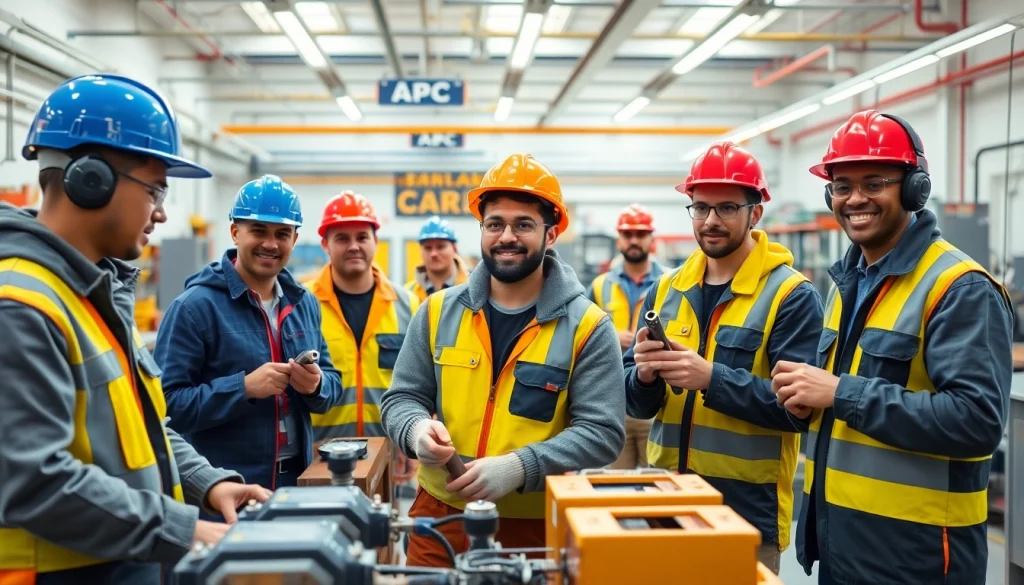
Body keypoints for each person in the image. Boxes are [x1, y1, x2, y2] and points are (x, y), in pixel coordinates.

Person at [0, 74, 269, 585]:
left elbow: (142, 430)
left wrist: (207, 484)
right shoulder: (21, 306)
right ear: (90, 178)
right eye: (155, 189)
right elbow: (32, 481)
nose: (163, 212)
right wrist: (184, 529)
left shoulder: (88, 297)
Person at [777, 110, 1014, 585]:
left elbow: (977, 422)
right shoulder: (845, 283)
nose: (855, 199)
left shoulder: (958, 287)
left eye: (874, 182)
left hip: (919, 557)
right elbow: (841, 405)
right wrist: (804, 402)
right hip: (844, 545)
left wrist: (840, 392)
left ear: (913, 189)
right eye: (842, 186)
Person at [381, 153, 626, 567]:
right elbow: (400, 398)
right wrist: (416, 430)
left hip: (532, 526)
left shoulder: (588, 326)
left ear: (550, 235)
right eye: (495, 224)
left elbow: (602, 432)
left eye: (523, 224)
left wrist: (519, 467)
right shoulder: (437, 311)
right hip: (440, 517)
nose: (506, 236)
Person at [623, 141, 824, 574]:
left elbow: (798, 412)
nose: (711, 221)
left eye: (726, 208)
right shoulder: (666, 289)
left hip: (745, 512)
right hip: (665, 500)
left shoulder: (791, 297)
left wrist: (711, 378)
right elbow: (637, 405)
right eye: (700, 208)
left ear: (755, 213)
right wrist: (642, 377)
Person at [155, 174, 342, 493]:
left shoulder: (304, 303)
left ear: (294, 240)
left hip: (297, 478)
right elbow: (164, 406)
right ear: (235, 233)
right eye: (258, 231)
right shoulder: (194, 308)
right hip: (224, 485)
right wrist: (243, 389)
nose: (271, 244)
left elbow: (332, 382)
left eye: (282, 233)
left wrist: (316, 386)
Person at [303, 191, 420, 483]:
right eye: (342, 238)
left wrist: (410, 440)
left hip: (387, 457)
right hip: (318, 457)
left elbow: (423, 385)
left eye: (362, 237)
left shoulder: (408, 305)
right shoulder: (301, 304)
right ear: (325, 245)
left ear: (375, 241)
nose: (353, 246)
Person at [586, 204, 667, 470]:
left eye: (640, 234)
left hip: (659, 404)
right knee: (616, 489)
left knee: (657, 485)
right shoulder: (600, 286)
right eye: (628, 233)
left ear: (651, 239)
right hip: (613, 404)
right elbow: (582, 338)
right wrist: (609, 335)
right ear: (619, 238)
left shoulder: (672, 283)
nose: (634, 240)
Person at [405, 215, 470, 303]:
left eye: (440, 247)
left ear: (454, 248)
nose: (433, 254)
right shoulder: (407, 295)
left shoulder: (473, 289)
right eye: (428, 248)